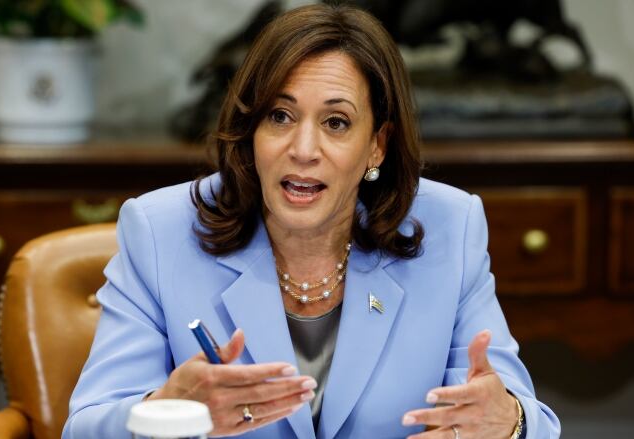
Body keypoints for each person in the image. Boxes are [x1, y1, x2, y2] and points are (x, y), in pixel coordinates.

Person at [64, 4, 560, 439]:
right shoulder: (159, 231)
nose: (302, 150)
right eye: (279, 116)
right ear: (251, 129)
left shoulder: (450, 228)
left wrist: (508, 422)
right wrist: (165, 411)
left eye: (336, 123)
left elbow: (526, 417)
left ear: (377, 145)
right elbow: (86, 425)